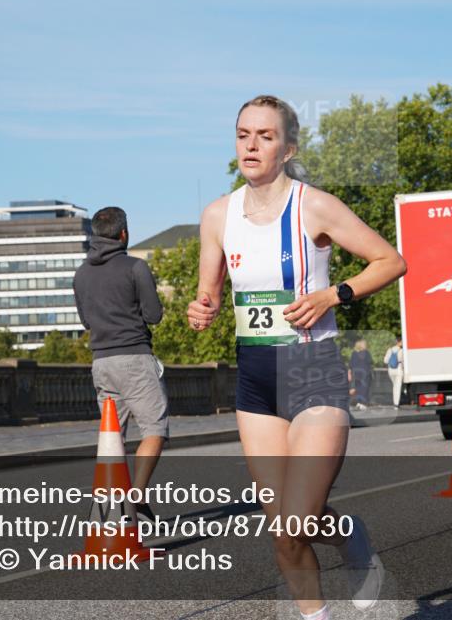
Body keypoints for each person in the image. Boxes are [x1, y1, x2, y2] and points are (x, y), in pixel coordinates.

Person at [186, 95, 406, 619]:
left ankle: (349, 535)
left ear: (288, 149)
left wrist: (333, 295)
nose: (251, 145)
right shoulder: (217, 215)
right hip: (256, 381)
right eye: (243, 135)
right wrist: (202, 309)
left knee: (300, 521)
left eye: (265, 136)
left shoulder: (315, 206)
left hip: (313, 372)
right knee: (282, 532)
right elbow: (209, 292)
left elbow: (390, 261)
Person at [73, 206, 168, 522]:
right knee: (154, 429)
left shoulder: (81, 274)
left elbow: (87, 321)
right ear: (123, 233)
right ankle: (137, 498)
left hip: (101, 362)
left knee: (113, 436)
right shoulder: (135, 267)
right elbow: (153, 315)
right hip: (134, 357)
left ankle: (112, 511)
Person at [349, 339, 374, 410]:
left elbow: (351, 364)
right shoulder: (366, 353)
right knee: (364, 388)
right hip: (365, 373)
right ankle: (363, 403)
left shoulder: (354, 353)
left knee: (358, 388)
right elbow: (370, 362)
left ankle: (359, 402)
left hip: (356, 373)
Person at [383, 335, 404, 409]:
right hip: (398, 370)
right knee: (397, 387)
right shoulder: (401, 350)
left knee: (394, 386)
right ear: (400, 342)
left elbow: (385, 361)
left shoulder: (390, 350)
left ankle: (395, 402)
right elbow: (402, 361)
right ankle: (396, 404)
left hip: (391, 370)